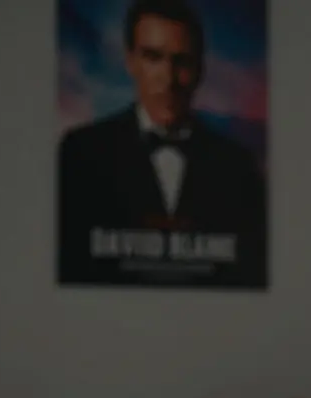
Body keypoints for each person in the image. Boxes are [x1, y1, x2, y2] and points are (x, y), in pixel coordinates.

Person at [58, 0, 267, 288]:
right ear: (130, 61)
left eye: (182, 61)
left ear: (200, 69)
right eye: (153, 57)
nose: (168, 79)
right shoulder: (81, 152)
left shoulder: (237, 166)